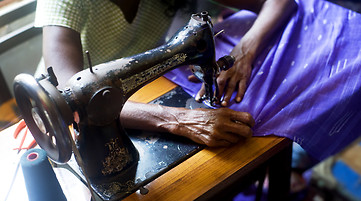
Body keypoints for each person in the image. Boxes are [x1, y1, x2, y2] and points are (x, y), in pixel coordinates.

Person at [34, 0, 296, 148]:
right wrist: (178, 120)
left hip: (143, 87)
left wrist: (244, 52)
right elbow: (70, 95)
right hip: (64, 115)